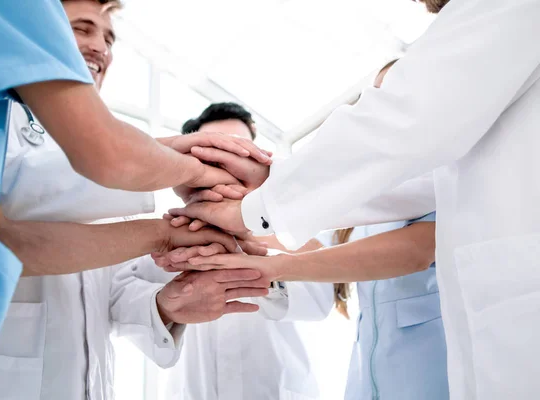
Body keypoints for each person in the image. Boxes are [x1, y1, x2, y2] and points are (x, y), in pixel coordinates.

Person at [167, 0, 540, 398]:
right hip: (375, 367)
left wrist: (258, 224)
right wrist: (260, 197)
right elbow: (400, 179)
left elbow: (404, 132)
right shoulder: (334, 202)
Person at [0, 0, 269, 397]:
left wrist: (164, 305)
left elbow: (108, 286)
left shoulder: (121, 143)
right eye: (82, 29)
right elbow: (8, 215)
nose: (101, 48)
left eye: (108, 37)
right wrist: (187, 172)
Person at [154, 103, 335, 400]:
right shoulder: (169, 234)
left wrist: (252, 242)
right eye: (215, 151)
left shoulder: (292, 227)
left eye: (240, 150)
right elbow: (141, 318)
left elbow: (319, 302)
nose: (230, 162)